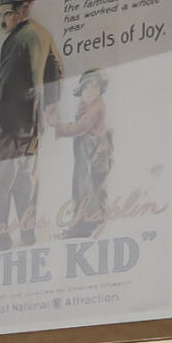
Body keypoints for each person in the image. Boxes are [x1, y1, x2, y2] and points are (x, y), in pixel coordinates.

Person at [0, 0, 62, 252]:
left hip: (6, 122)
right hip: (32, 123)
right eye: (1, 14)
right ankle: (28, 234)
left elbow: (8, 83)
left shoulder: (17, 40)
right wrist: (49, 105)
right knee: (26, 179)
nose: (3, 21)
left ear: (24, 9)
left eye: (8, 13)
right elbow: (56, 70)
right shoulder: (43, 35)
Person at [46, 68, 113, 238]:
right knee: (88, 186)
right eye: (86, 87)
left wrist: (58, 126)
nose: (89, 91)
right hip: (90, 150)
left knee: (86, 187)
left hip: (92, 151)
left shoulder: (96, 107)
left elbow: (80, 127)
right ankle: (90, 220)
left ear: (100, 90)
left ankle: (84, 226)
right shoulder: (86, 106)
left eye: (94, 87)